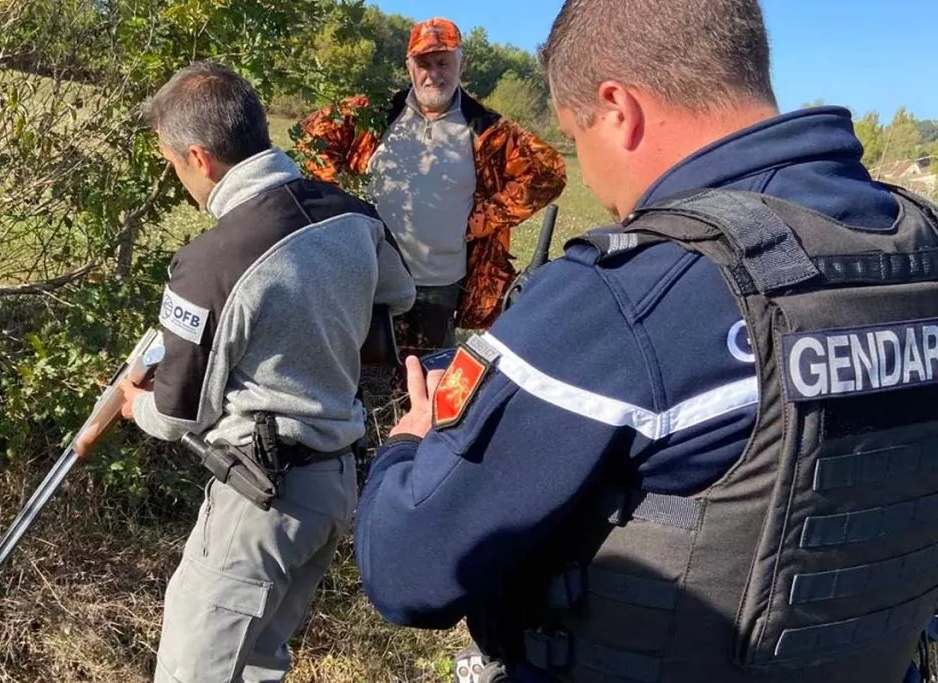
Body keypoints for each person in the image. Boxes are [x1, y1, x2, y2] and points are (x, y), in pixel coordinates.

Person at [352, 1, 938, 682]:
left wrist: (408, 440)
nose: (598, 191)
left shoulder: (625, 296)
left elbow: (408, 567)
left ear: (617, 109)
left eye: (579, 136)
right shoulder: (917, 245)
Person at [117, 61, 416, 683]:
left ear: (199, 157)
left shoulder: (210, 263)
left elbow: (176, 415)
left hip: (261, 501)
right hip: (333, 485)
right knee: (257, 665)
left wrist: (132, 406)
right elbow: (403, 292)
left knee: (194, 672)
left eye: (174, 162)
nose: (179, 178)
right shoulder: (351, 214)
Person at [293, 17, 567, 356]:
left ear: (460, 63)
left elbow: (549, 172)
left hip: (439, 285)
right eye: (423, 63)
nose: (433, 73)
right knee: (361, 376)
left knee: (427, 379)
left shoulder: (487, 128)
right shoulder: (378, 114)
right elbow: (310, 137)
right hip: (370, 277)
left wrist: (483, 217)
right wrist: (344, 201)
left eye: (443, 62)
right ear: (409, 66)